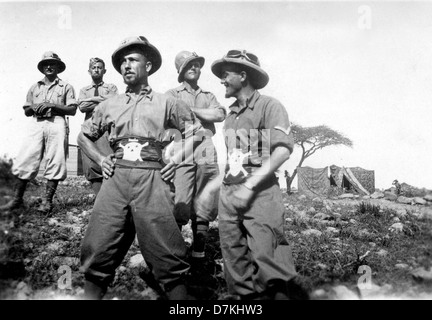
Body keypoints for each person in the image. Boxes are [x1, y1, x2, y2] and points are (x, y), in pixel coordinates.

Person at [77, 36, 205, 300]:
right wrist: (101, 159)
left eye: (133, 60)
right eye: (122, 61)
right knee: (98, 247)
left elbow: (195, 133)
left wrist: (176, 159)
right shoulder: (109, 104)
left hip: (153, 180)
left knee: (166, 251)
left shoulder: (166, 102)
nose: (126, 65)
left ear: (148, 66)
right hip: (116, 178)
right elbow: (83, 136)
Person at [195, 50, 309, 300]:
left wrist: (250, 186)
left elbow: (282, 151)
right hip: (229, 195)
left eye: (226, 75)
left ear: (243, 75)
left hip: (260, 193)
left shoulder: (269, 106)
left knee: (271, 267)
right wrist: (210, 189)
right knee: (236, 268)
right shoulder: (231, 117)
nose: (222, 80)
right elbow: (234, 163)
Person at [165, 51, 226, 260]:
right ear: (180, 70)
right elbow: (169, 116)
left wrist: (190, 110)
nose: (194, 68)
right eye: (189, 65)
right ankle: (175, 251)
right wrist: (202, 113)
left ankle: (199, 249)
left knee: (206, 196)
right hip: (181, 145)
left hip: (206, 146)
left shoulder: (208, 95)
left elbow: (219, 114)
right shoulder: (172, 94)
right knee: (181, 196)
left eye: (197, 65)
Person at [0, 51, 77, 215]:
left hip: (56, 122)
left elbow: (72, 109)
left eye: (52, 64)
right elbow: (26, 110)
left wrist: (52, 105)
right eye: (45, 64)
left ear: (58, 67)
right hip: (36, 122)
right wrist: (33, 107)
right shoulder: (35, 87)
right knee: (27, 157)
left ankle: (47, 202)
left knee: (56, 159)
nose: (49, 66)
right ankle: (17, 200)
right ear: (42, 68)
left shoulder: (66, 87)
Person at [78, 57, 118, 195]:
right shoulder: (84, 90)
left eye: (99, 67)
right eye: (94, 67)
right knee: (90, 165)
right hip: (89, 129)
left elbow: (113, 102)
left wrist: (90, 100)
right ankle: (98, 199)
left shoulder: (111, 87)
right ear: (89, 71)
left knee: (107, 161)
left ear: (104, 70)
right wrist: (101, 100)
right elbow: (82, 107)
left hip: (105, 129)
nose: (96, 69)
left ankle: (109, 199)